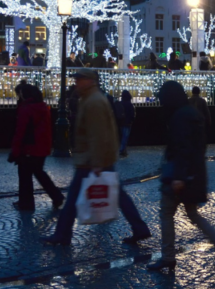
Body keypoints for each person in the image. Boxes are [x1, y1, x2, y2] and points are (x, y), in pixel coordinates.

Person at [41, 69, 151, 246]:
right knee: (117, 195)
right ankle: (140, 228)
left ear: (90, 81)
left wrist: (97, 162)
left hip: (91, 160)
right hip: (96, 158)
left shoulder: (93, 102)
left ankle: (62, 234)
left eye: (80, 80)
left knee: (73, 198)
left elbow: (97, 134)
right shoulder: (92, 98)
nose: (76, 83)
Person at [147, 81, 215, 272]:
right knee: (193, 214)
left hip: (180, 175)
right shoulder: (192, 114)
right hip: (194, 173)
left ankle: (168, 257)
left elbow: (182, 148)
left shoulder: (179, 117)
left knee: (166, 214)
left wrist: (178, 176)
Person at [9, 83, 65, 211]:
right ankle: (56, 196)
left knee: (25, 175)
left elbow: (21, 131)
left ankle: (26, 202)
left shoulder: (26, 109)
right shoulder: (43, 107)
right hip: (42, 145)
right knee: (39, 172)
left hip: (29, 147)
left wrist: (15, 149)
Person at [116, 90, 136, 157]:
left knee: (123, 136)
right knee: (125, 137)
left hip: (121, 122)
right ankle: (122, 150)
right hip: (127, 123)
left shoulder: (120, 103)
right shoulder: (129, 104)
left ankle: (123, 150)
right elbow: (132, 114)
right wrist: (131, 120)